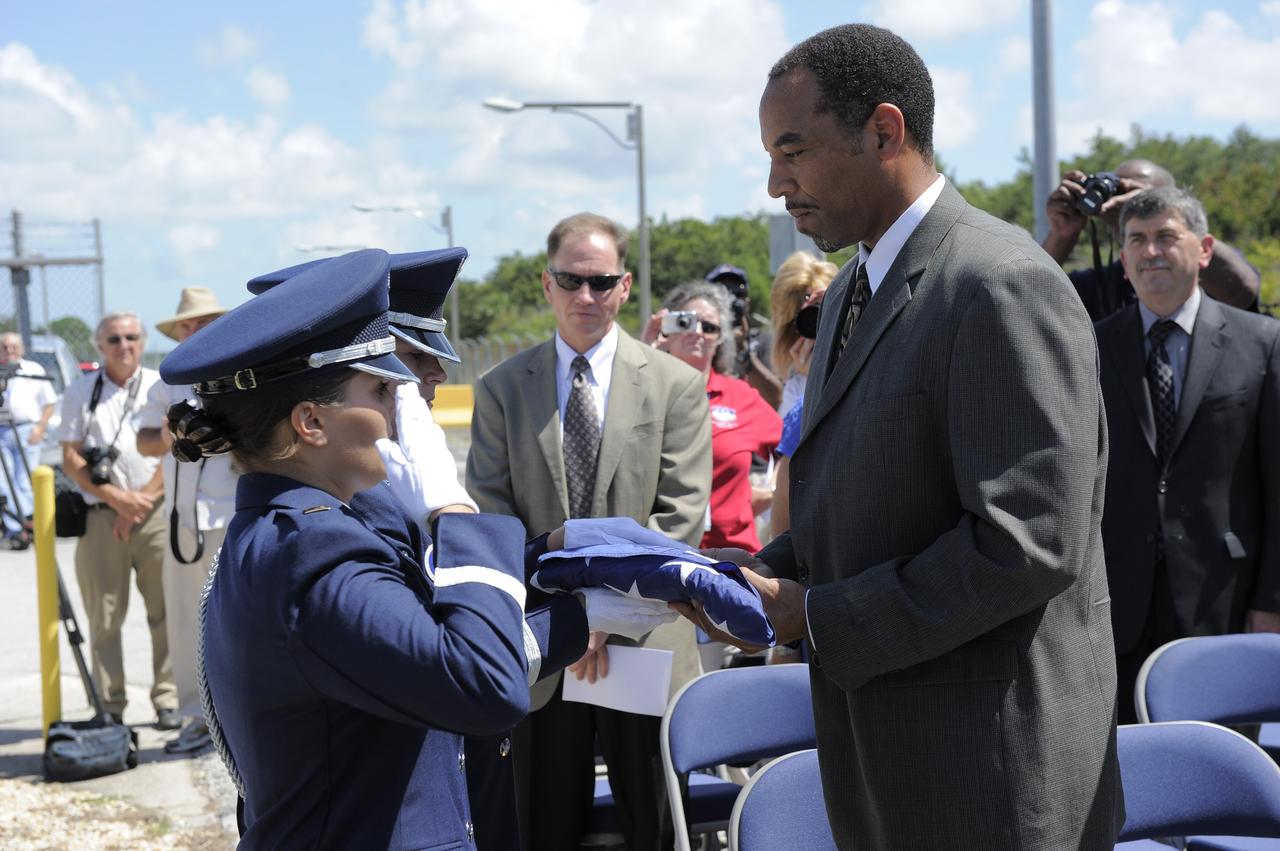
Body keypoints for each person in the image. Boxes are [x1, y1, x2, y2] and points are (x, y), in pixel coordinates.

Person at [679, 23, 1123, 849]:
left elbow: (1028, 541)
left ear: (884, 130)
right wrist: (752, 581)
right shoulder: (853, 286)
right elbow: (864, 500)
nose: (777, 184)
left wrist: (818, 616)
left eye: (793, 151)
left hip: (990, 777)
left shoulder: (999, 281)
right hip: (890, 761)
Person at [162, 248, 587, 848]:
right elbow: (482, 683)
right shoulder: (313, 551)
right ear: (311, 423)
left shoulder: (299, 532)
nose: (400, 412)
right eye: (382, 391)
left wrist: (583, 607)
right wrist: (454, 509)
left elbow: (419, 646)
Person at [467, 212, 711, 851]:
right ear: (545, 283)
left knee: (655, 825)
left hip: (645, 639)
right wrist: (569, 617)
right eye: (570, 279)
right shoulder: (500, 390)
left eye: (600, 282)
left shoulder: (676, 387)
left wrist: (601, 615)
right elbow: (492, 520)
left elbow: (679, 517)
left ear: (625, 288)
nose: (585, 296)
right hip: (543, 647)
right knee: (543, 825)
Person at [1094, 186, 1280, 723]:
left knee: (1217, 777)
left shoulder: (1263, 344)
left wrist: (1272, 602)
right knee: (1122, 781)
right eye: (1137, 240)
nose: (1151, 251)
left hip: (1224, 602)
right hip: (1115, 611)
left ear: (1203, 249)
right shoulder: (1090, 347)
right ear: (1124, 261)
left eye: (1165, 237)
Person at [58, 313, 178, 729]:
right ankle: (109, 707)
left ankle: (168, 699)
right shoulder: (79, 391)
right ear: (99, 344)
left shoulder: (160, 387)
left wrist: (139, 502)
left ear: (143, 342)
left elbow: (174, 448)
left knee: (165, 612)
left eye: (130, 337)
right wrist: (116, 499)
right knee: (104, 616)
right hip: (99, 516)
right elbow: (70, 458)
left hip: (154, 513)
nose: (123, 345)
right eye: (114, 338)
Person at [135, 287, 232, 753]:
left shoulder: (240, 370)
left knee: (236, 620)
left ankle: (239, 717)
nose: (195, 331)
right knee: (185, 622)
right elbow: (144, 443)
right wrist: (176, 427)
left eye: (203, 323)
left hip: (232, 514)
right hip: (183, 519)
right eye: (187, 326)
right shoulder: (167, 379)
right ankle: (196, 718)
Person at [645, 281, 780, 552]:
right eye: (686, 322)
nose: (697, 332)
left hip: (732, 558)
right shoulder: (641, 389)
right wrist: (643, 358)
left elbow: (797, 445)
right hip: (658, 553)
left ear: (721, 339)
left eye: (709, 328)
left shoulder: (741, 396)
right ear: (666, 327)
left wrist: (771, 493)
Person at [1042, 158, 1261, 319]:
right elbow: (1032, 302)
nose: (1135, 208)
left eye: (1151, 201)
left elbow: (1243, 291)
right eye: (1118, 191)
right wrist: (1062, 236)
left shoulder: (1209, 269)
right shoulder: (1100, 283)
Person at [0, 333, 57, 548]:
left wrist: (40, 427)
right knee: (4, 484)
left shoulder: (33, 371)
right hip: (2, 430)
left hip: (26, 430)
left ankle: (26, 524)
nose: (9, 350)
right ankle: (16, 530)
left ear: (21, 349)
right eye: (4, 347)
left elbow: (49, 403)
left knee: (23, 481)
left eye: (13, 346)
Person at [705, 263, 783, 408]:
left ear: (747, 303)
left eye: (737, 292)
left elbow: (776, 400)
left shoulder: (762, 341)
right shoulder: (700, 341)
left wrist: (744, 353)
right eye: (720, 292)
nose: (729, 301)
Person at [769, 252, 837, 416]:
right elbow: (796, 439)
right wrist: (811, 381)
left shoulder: (867, 343)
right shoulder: (796, 387)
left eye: (822, 305)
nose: (818, 322)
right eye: (807, 317)